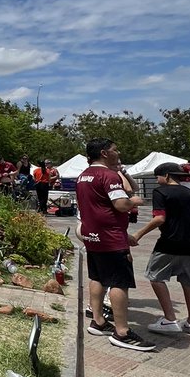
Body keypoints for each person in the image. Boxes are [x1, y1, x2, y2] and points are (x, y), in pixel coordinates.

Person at [76, 138, 150, 350]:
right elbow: (120, 204)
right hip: (111, 238)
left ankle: (98, 320)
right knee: (119, 282)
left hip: (92, 236)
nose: (118, 153)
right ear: (104, 153)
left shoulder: (83, 176)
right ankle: (122, 332)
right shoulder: (108, 175)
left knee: (97, 276)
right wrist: (134, 201)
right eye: (115, 150)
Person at [128, 162, 190, 337]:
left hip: (169, 243)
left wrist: (138, 234)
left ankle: (169, 319)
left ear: (166, 176)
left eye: (157, 177)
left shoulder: (160, 192)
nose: (157, 180)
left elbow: (160, 218)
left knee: (155, 276)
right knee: (189, 282)